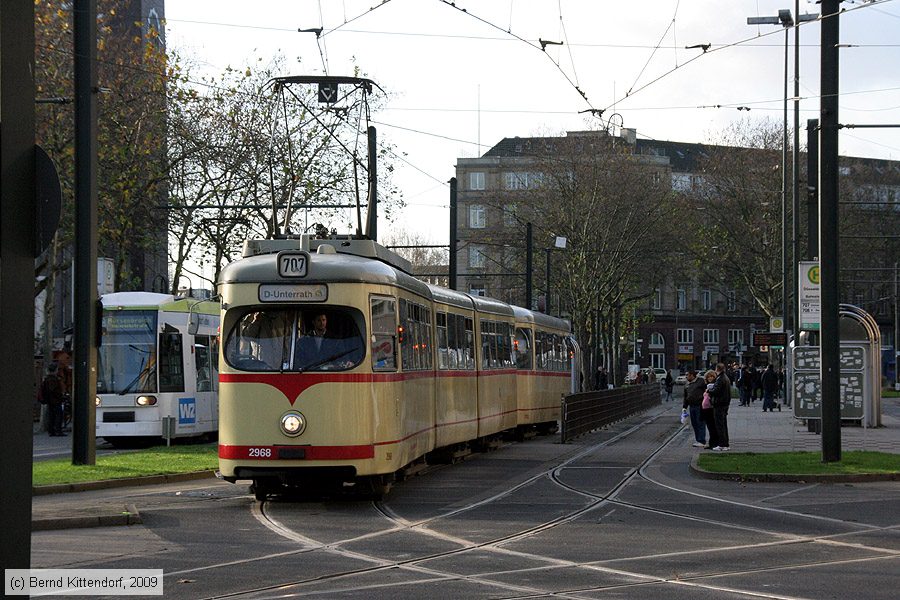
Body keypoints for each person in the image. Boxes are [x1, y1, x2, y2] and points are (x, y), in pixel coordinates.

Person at [707, 362, 731, 451]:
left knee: (720, 425)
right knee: (723, 425)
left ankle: (722, 444)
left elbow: (716, 391)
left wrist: (709, 390)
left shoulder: (721, 379)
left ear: (717, 369)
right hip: (724, 404)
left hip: (719, 404)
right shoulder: (725, 378)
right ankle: (725, 444)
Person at [682, 370, 707, 447]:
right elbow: (686, 396)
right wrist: (684, 407)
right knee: (694, 423)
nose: (686, 377)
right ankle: (698, 440)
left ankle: (701, 440)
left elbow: (706, 389)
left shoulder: (700, 381)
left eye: (688, 375)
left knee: (700, 423)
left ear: (692, 375)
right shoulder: (687, 384)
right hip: (691, 406)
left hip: (699, 405)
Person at [41, 362, 66, 437]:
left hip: (50, 400)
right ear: (55, 370)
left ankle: (51, 430)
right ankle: (58, 430)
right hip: (55, 400)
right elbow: (53, 390)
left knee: (51, 416)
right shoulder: (53, 379)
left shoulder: (47, 378)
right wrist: (60, 396)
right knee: (58, 415)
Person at [700, 369, 719, 449]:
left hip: (711, 408)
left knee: (713, 427)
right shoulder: (706, 385)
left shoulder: (715, 385)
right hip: (705, 409)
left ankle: (714, 443)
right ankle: (711, 442)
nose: (710, 378)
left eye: (711, 376)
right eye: (708, 377)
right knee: (709, 426)